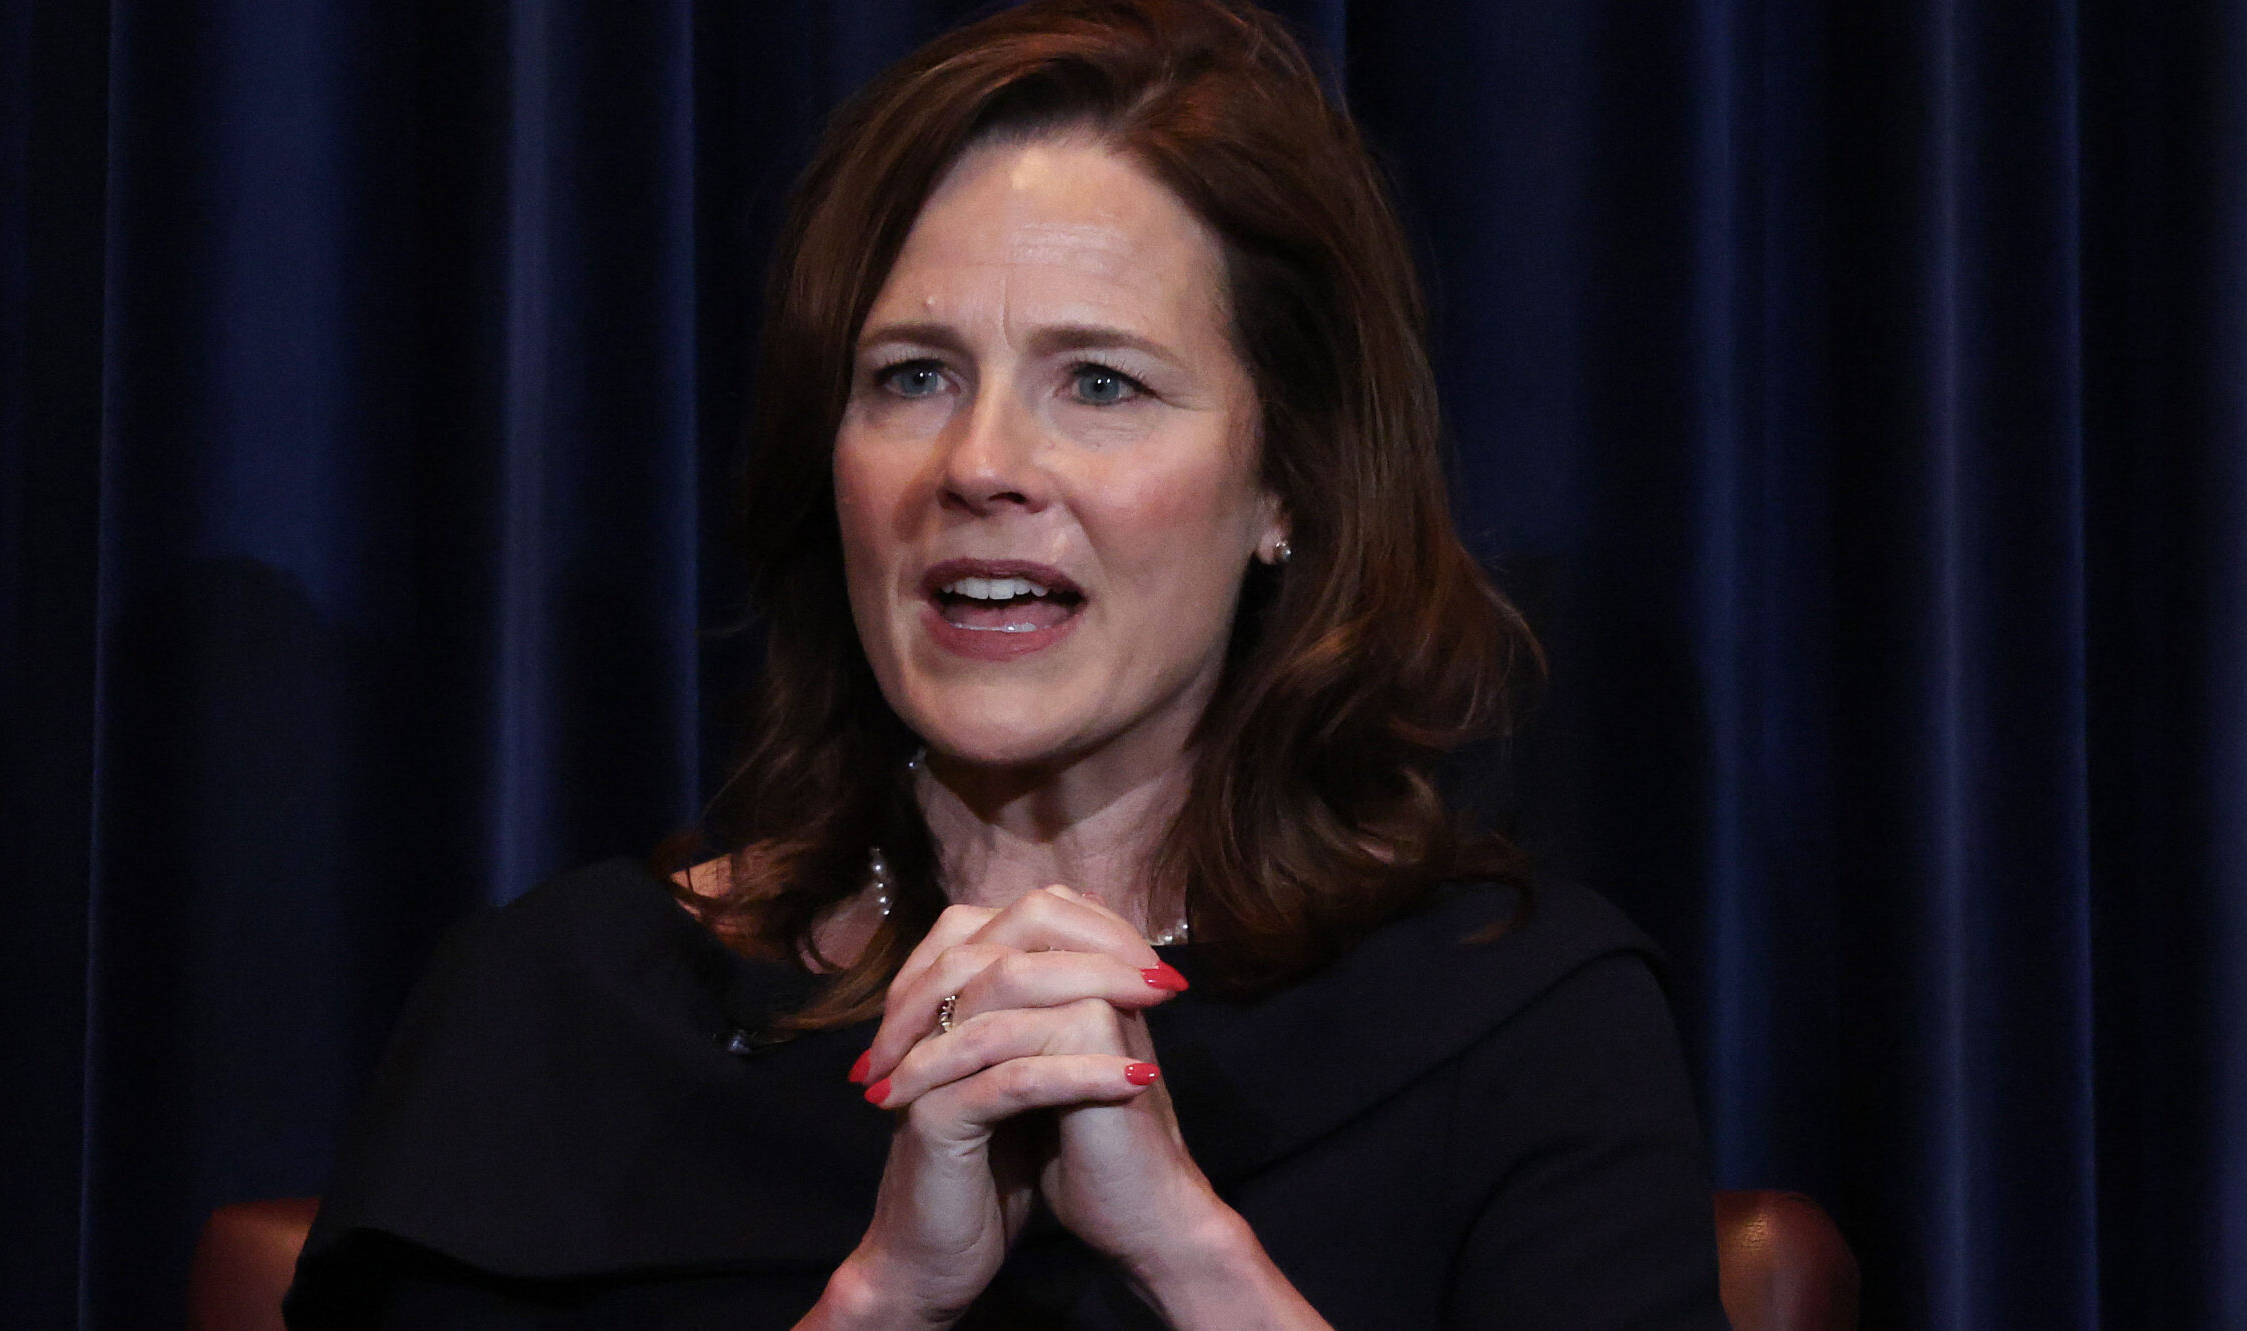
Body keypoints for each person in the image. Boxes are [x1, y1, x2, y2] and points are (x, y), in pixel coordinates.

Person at [286, 1, 1729, 1326]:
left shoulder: (1522, 1024)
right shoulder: (559, 1015)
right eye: (911, 376)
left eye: (1098, 383)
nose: (977, 465)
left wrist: (1186, 1250)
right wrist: (885, 1300)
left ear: (1288, 483)